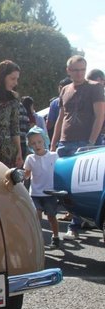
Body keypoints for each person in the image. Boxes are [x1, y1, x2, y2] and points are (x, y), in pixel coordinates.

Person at [50, 55, 105, 240]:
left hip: (85, 144)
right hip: (65, 142)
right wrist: (53, 142)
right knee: (64, 188)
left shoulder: (95, 87)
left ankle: (74, 226)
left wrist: (91, 142)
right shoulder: (65, 89)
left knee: (81, 187)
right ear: (69, 71)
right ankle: (73, 223)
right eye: (75, 70)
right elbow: (61, 117)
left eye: (82, 69)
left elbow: (100, 116)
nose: (79, 73)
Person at [23, 130, 60, 247]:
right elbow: (26, 175)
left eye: (39, 142)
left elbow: (59, 172)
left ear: (45, 141)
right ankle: (38, 238)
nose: (37, 145)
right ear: (29, 145)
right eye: (33, 143)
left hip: (50, 193)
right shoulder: (30, 158)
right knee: (36, 215)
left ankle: (56, 237)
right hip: (35, 193)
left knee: (51, 217)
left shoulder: (54, 156)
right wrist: (20, 176)